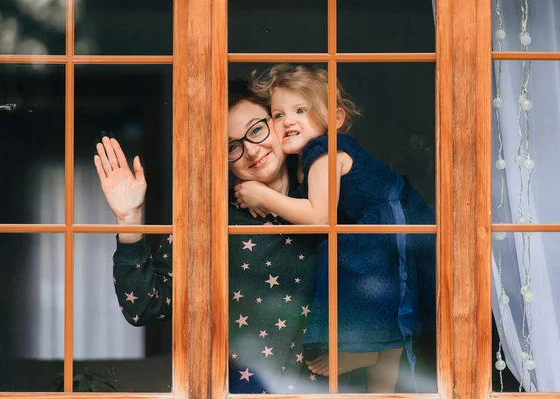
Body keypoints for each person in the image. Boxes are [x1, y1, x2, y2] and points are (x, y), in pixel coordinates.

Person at [94, 80, 366, 394]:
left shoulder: (333, 196)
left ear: (278, 123)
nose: (251, 150)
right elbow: (142, 307)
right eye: (231, 146)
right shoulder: (210, 219)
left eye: (256, 130)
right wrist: (128, 219)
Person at [234, 64, 437, 393]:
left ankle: (362, 352)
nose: (288, 121)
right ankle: (378, 377)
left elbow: (318, 218)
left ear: (336, 119)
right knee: (392, 344)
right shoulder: (309, 162)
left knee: (350, 268)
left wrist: (264, 195)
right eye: (278, 114)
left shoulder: (324, 151)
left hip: (390, 233)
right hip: (402, 229)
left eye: (301, 110)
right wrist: (263, 197)